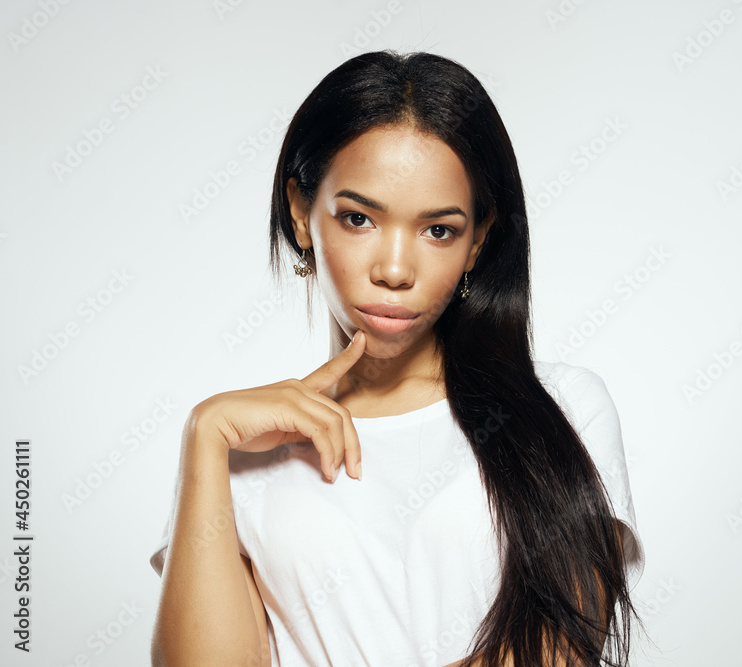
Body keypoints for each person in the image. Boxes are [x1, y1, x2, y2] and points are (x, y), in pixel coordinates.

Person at [149, 50, 645, 667]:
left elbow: (556, 655)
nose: (393, 270)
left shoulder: (564, 410)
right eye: (359, 218)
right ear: (302, 212)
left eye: (438, 229)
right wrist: (206, 435)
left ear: (478, 240)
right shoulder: (242, 452)